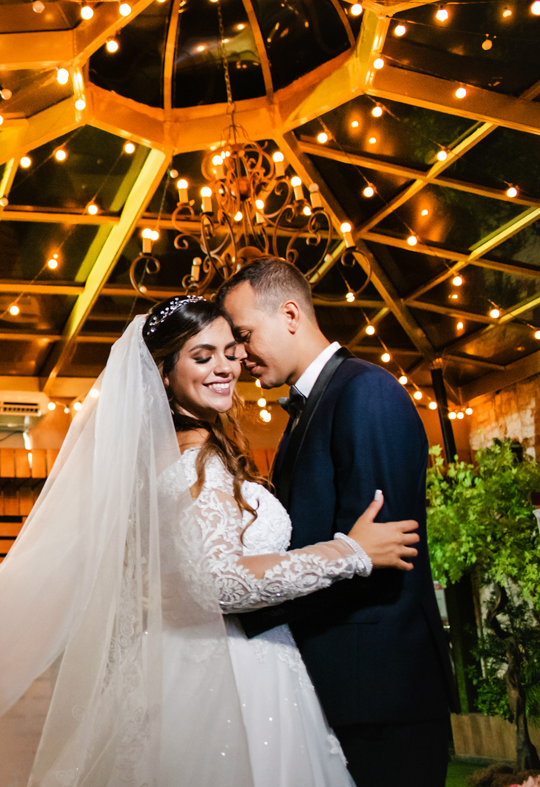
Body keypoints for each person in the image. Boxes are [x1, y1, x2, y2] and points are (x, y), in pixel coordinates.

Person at [142, 294, 420, 787]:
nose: (228, 366)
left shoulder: (183, 463)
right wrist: (347, 552)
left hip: (234, 664)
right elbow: (220, 582)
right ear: (163, 375)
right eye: (202, 357)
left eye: (231, 350)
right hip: (242, 674)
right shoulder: (196, 468)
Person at [216, 258, 458, 787]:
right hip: (339, 687)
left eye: (243, 335)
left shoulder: (365, 393)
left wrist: (253, 612)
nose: (238, 355)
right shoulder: (309, 410)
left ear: (289, 313)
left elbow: (384, 552)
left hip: (379, 690)